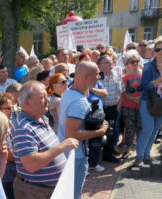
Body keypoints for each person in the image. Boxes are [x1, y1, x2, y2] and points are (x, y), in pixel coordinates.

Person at [12, 81, 79, 199]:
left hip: (46, 190)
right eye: (42, 97)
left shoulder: (41, 118)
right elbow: (31, 164)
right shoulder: (23, 128)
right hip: (35, 191)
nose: (48, 100)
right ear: (28, 103)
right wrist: (61, 147)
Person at [58, 61, 109, 199]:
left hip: (68, 153)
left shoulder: (70, 92)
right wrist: (100, 131)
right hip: (76, 156)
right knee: (74, 194)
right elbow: (72, 134)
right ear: (86, 78)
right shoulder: (79, 102)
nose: (99, 77)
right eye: (97, 74)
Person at [135, 36, 162, 166]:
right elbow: (146, 86)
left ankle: (146, 155)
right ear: (154, 50)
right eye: (158, 49)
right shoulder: (148, 66)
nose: (161, 51)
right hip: (148, 102)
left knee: (155, 131)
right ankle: (138, 157)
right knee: (147, 130)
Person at [98, 55, 125, 163]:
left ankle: (108, 154)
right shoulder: (96, 77)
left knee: (114, 133)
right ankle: (100, 155)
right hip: (101, 110)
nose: (110, 64)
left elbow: (121, 92)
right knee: (101, 133)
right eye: (107, 62)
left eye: (111, 62)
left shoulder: (117, 75)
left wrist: (118, 107)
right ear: (99, 65)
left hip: (114, 109)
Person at [0, 92, 16, 199]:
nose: (12, 111)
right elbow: (7, 153)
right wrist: (25, 157)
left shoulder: (10, 123)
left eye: (12, 108)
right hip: (6, 175)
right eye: (8, 108)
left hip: (13, 173)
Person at [121, 50, 143, 159]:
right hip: (128, 106)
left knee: (141, 128)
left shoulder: (143, 74)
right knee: (129, 128)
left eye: (137, 61)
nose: (135, 63)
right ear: (127, 63)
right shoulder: (123, 77)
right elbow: (122, 92)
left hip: (142, 106)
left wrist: (141, 98)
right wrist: (134, 98)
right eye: (132, 61)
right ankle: (128, 149)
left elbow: (148, 88)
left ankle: (140, 150)